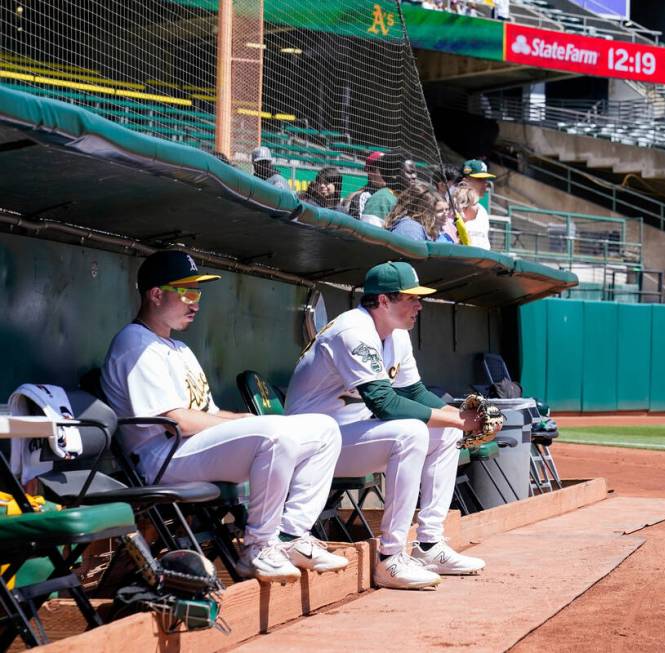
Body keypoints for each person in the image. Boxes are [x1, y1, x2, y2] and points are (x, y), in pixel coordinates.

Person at [101, 250, 347, 584]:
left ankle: (290, 537)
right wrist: (247, 425)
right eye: (187, 291)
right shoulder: (134, 343)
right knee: (274, 433)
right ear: (156, 294)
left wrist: (240, 418)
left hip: (193, 449)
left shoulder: (180, 348)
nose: (195, 303)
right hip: (161, 459)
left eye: (197, 292)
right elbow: (178, 421)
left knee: (324, 428)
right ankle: (258, 546)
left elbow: (209, 414)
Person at [285, 262, 495, 590]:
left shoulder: (395, 335)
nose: (419, 305)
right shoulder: (353, 330)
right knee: (410, 431)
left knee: (447, 431)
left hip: (348, 437)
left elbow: (413, 392)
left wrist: (458, 417)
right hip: (310, 447)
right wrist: (458, 418)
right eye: (411, 298)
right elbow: (385, 403)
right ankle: (391, 558)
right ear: (384, 301)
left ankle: (428, 545)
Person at [362, 153, 417, 227]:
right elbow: (368, 233)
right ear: (394, 174)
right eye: (409, 172)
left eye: (415, 172)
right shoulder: (382, 198)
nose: (414, 176)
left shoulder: (409, 199)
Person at [456, 159, 494, 249]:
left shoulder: (483, 211)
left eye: (486, 179)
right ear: (466, 180)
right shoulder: (452, 207)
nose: (485, 183)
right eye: (480, 179)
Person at [344, 151, 385, 221]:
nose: (387, 173)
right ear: (370, 172)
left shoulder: (394, 193)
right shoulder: (361, 197)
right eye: (382, 169)